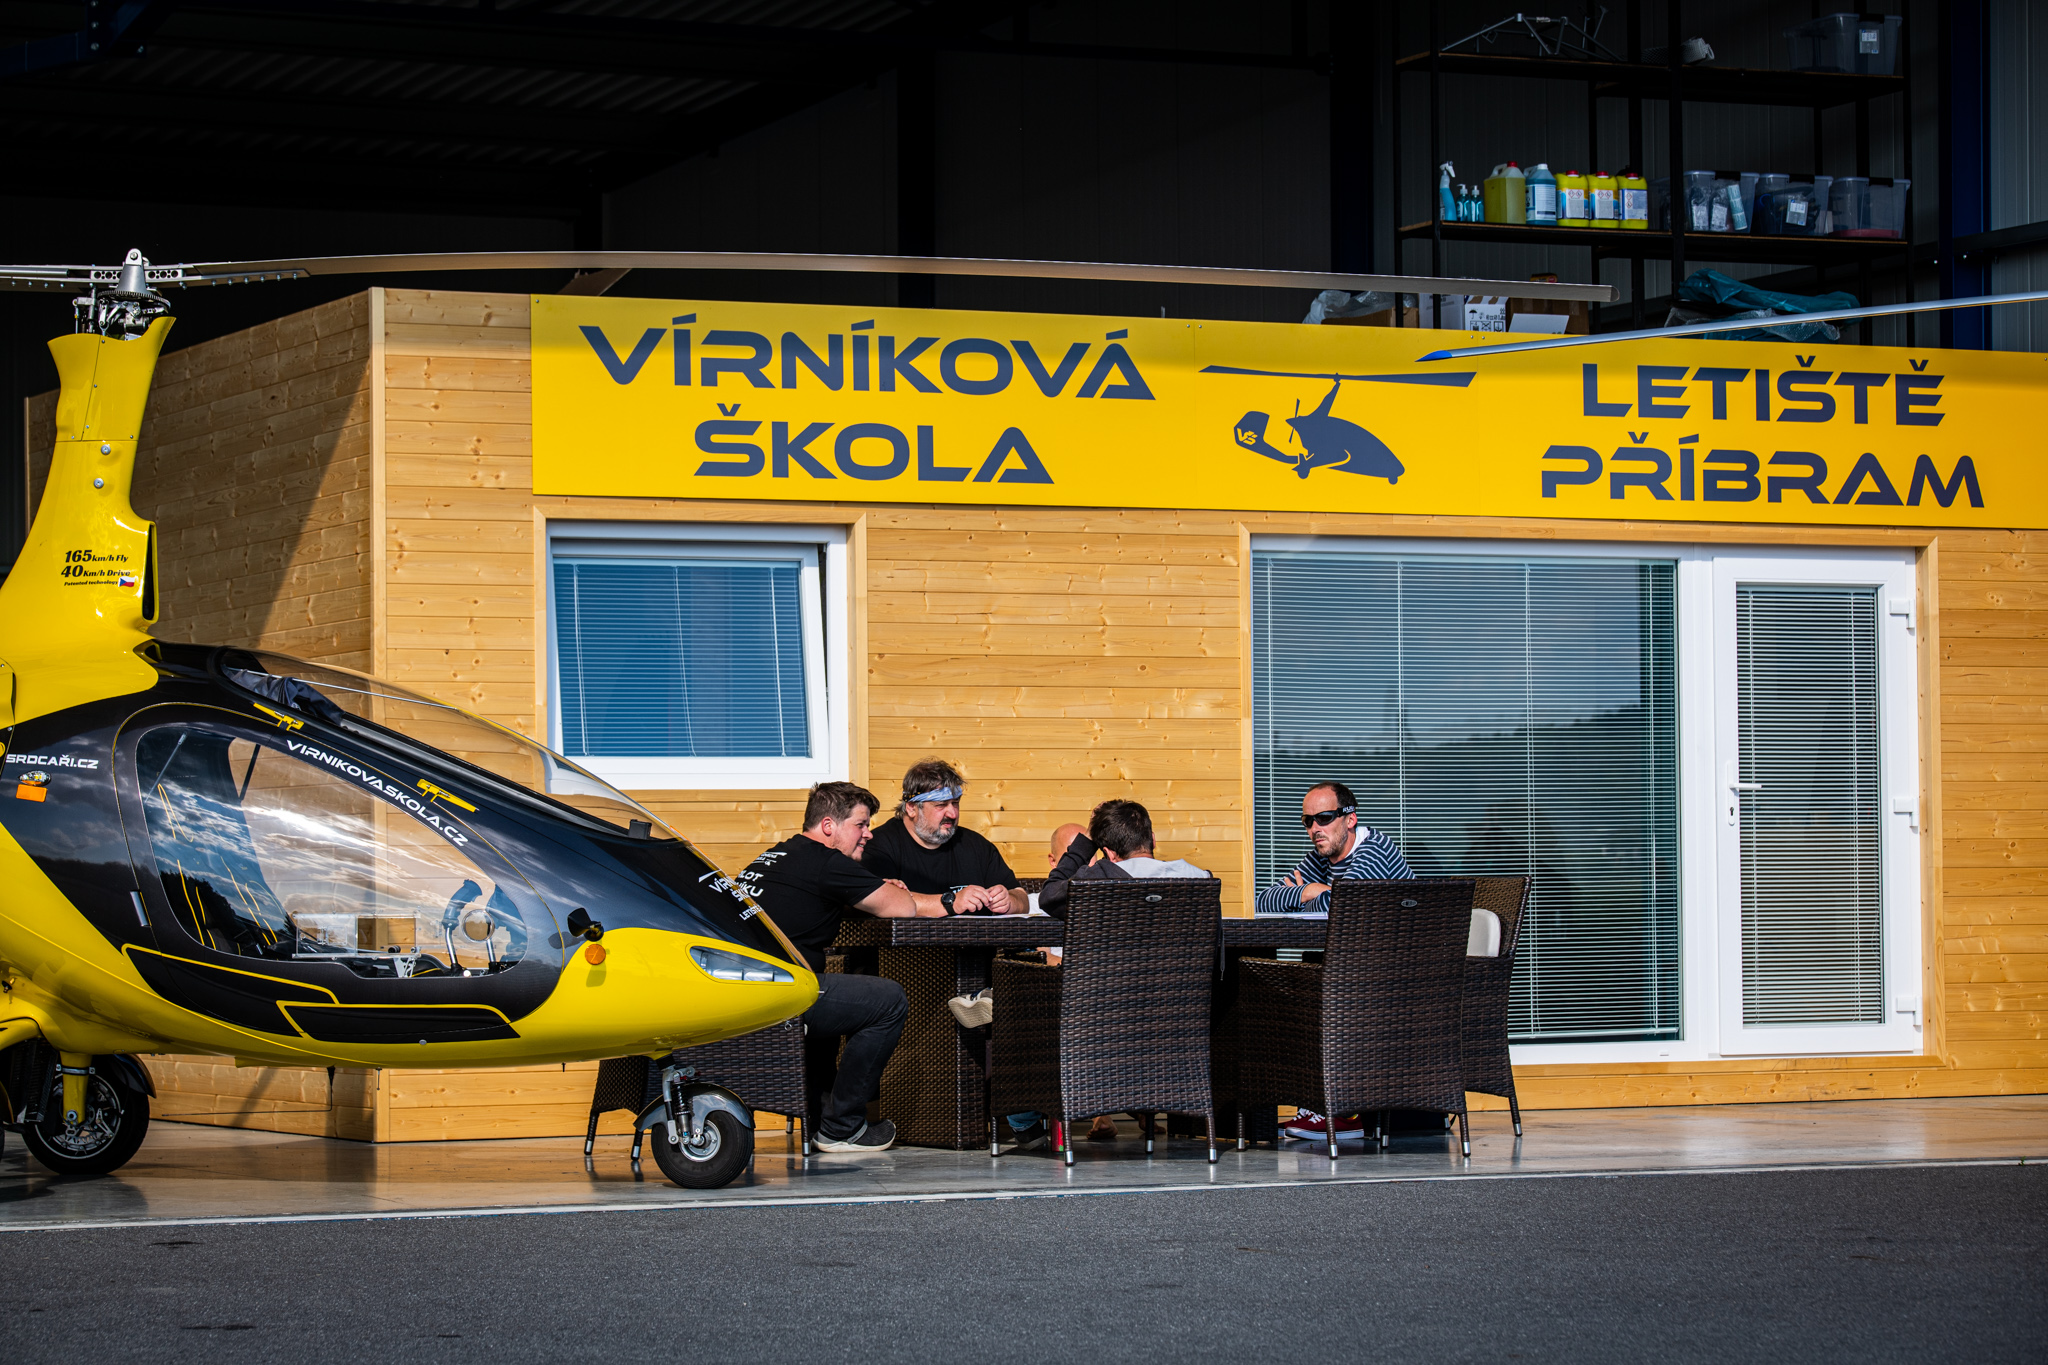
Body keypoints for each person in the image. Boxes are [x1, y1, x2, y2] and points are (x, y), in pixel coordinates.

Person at [735, 780, 950, 1154]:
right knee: (887, 1000)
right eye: (861, 825)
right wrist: (933, 897)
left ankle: (821, 1119)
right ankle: (843, 1127)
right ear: (829, 826)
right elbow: (902, 907)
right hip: (778, 994)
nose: (868, 834)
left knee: (837, 998)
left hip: (744, 987)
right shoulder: (826, 862)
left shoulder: (778, 854)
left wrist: (870, 887)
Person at [1253, 780, 1414, 1143]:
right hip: (1363, 971)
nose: (1315, 828)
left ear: (1350, 819)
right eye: (1307, 821)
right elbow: (1264, 900)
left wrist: (1314, 895)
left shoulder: (1374, 852)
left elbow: (1341, 906)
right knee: (1285, 990)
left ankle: (1342, 1111)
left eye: (1324, 818)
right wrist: (1311, 890)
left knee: (1315, 994)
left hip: (1402, 983)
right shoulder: (1323, 857)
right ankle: (1320, 1106)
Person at [861, 758, 1028, 916]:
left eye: (955, 803)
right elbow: (877, 901)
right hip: (911, 938)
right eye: (941, 805)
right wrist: (951, 902)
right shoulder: (878, 847)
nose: (953, 813)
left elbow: (1022, 899)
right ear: (911, 808)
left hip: (976, 937)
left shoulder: (976, 845)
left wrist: (1009, 901)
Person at [1039, 798, 1211, 918]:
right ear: (1153, 840)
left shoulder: (1097, 880)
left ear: (1110, 854)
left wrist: (1088, 840)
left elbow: (1049, 896)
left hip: (1111, 962)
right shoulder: (1200, 879)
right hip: (1182, 962)